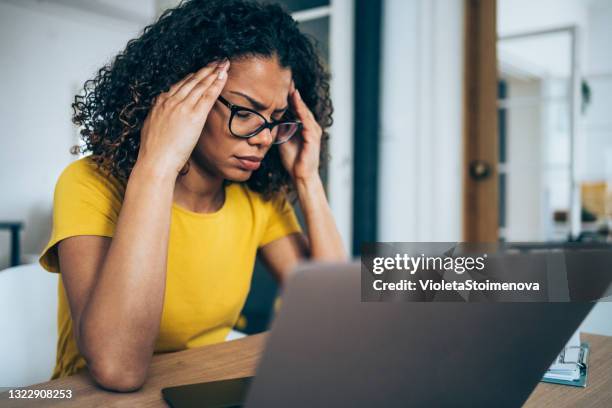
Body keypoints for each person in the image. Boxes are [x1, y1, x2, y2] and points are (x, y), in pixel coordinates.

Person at [39, 0, 345, 392]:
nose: (265, 137)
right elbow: (118, 369)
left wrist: (308, 180)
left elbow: (336, 315)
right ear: (183, 98)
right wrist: (157, 164)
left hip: (202, 387)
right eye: (247, 112)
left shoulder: (258, 200)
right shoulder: (88, 184)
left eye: (274, 118)